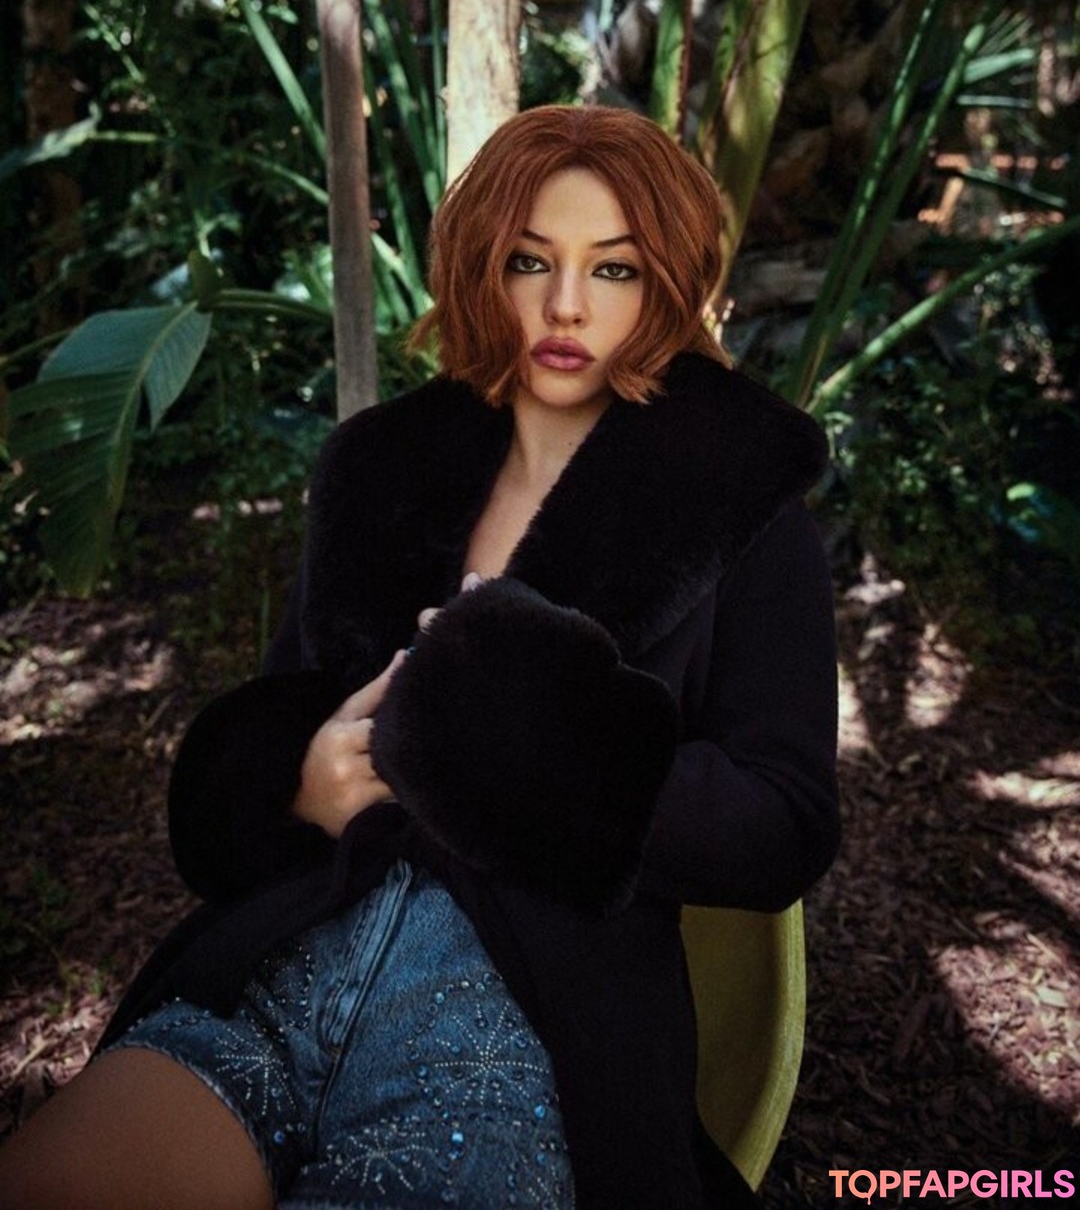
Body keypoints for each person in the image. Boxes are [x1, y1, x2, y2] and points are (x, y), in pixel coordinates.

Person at [0, 104, 839, 1210]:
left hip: (518, 1038)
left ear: (668, 284)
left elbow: (784, 825)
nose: (566, 305)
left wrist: (538, 736)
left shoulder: (743, 499)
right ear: (480, 266)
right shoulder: (381, 466)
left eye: (615, 268)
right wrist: (301, 780)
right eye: (529, 260)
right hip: (283, 977)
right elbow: (283, 709)